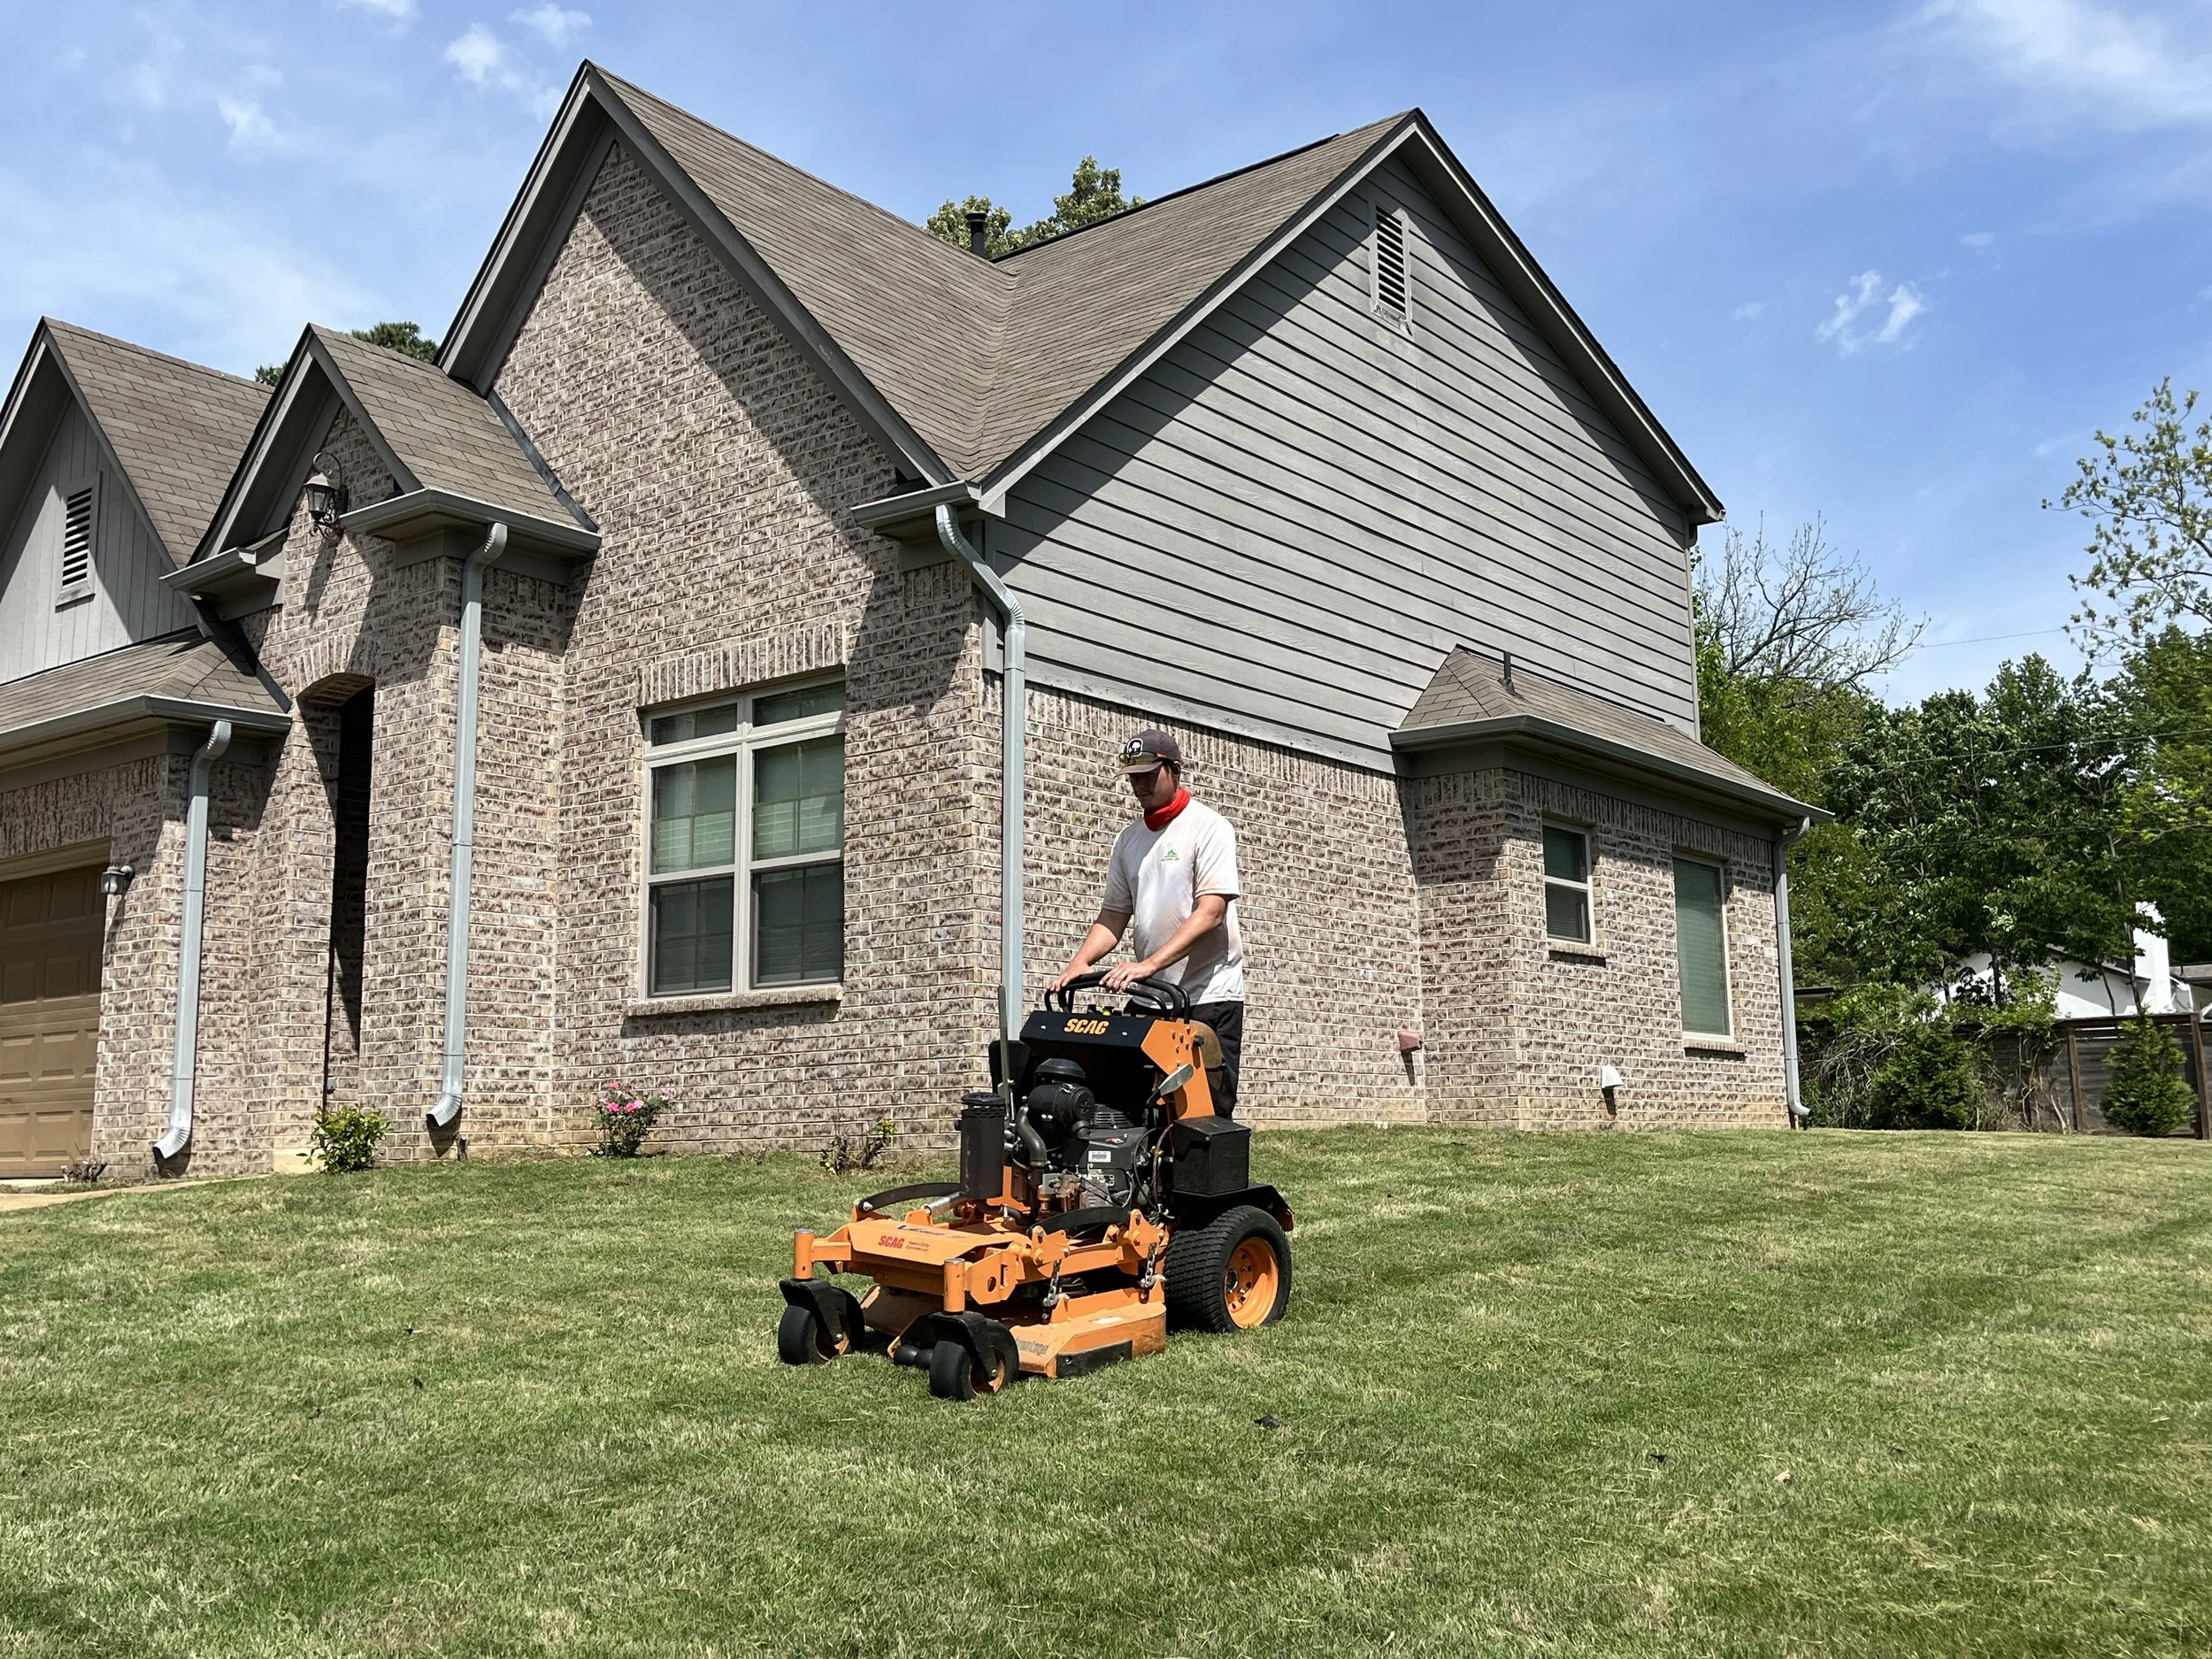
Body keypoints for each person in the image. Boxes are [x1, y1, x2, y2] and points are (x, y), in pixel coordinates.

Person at [1050, 730, 1247, 1115]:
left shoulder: (1209, 827)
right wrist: (1081, 962)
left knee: (1202, 1117)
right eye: (1133, 777)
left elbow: (1211, 912)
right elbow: (1114, 915)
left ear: (1175, 770)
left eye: (1148, 775)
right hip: (1150, 998)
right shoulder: (1128, 840)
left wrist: (1148, 965)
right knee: (1135, 1108)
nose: (1139, 785)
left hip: (1208, 997)